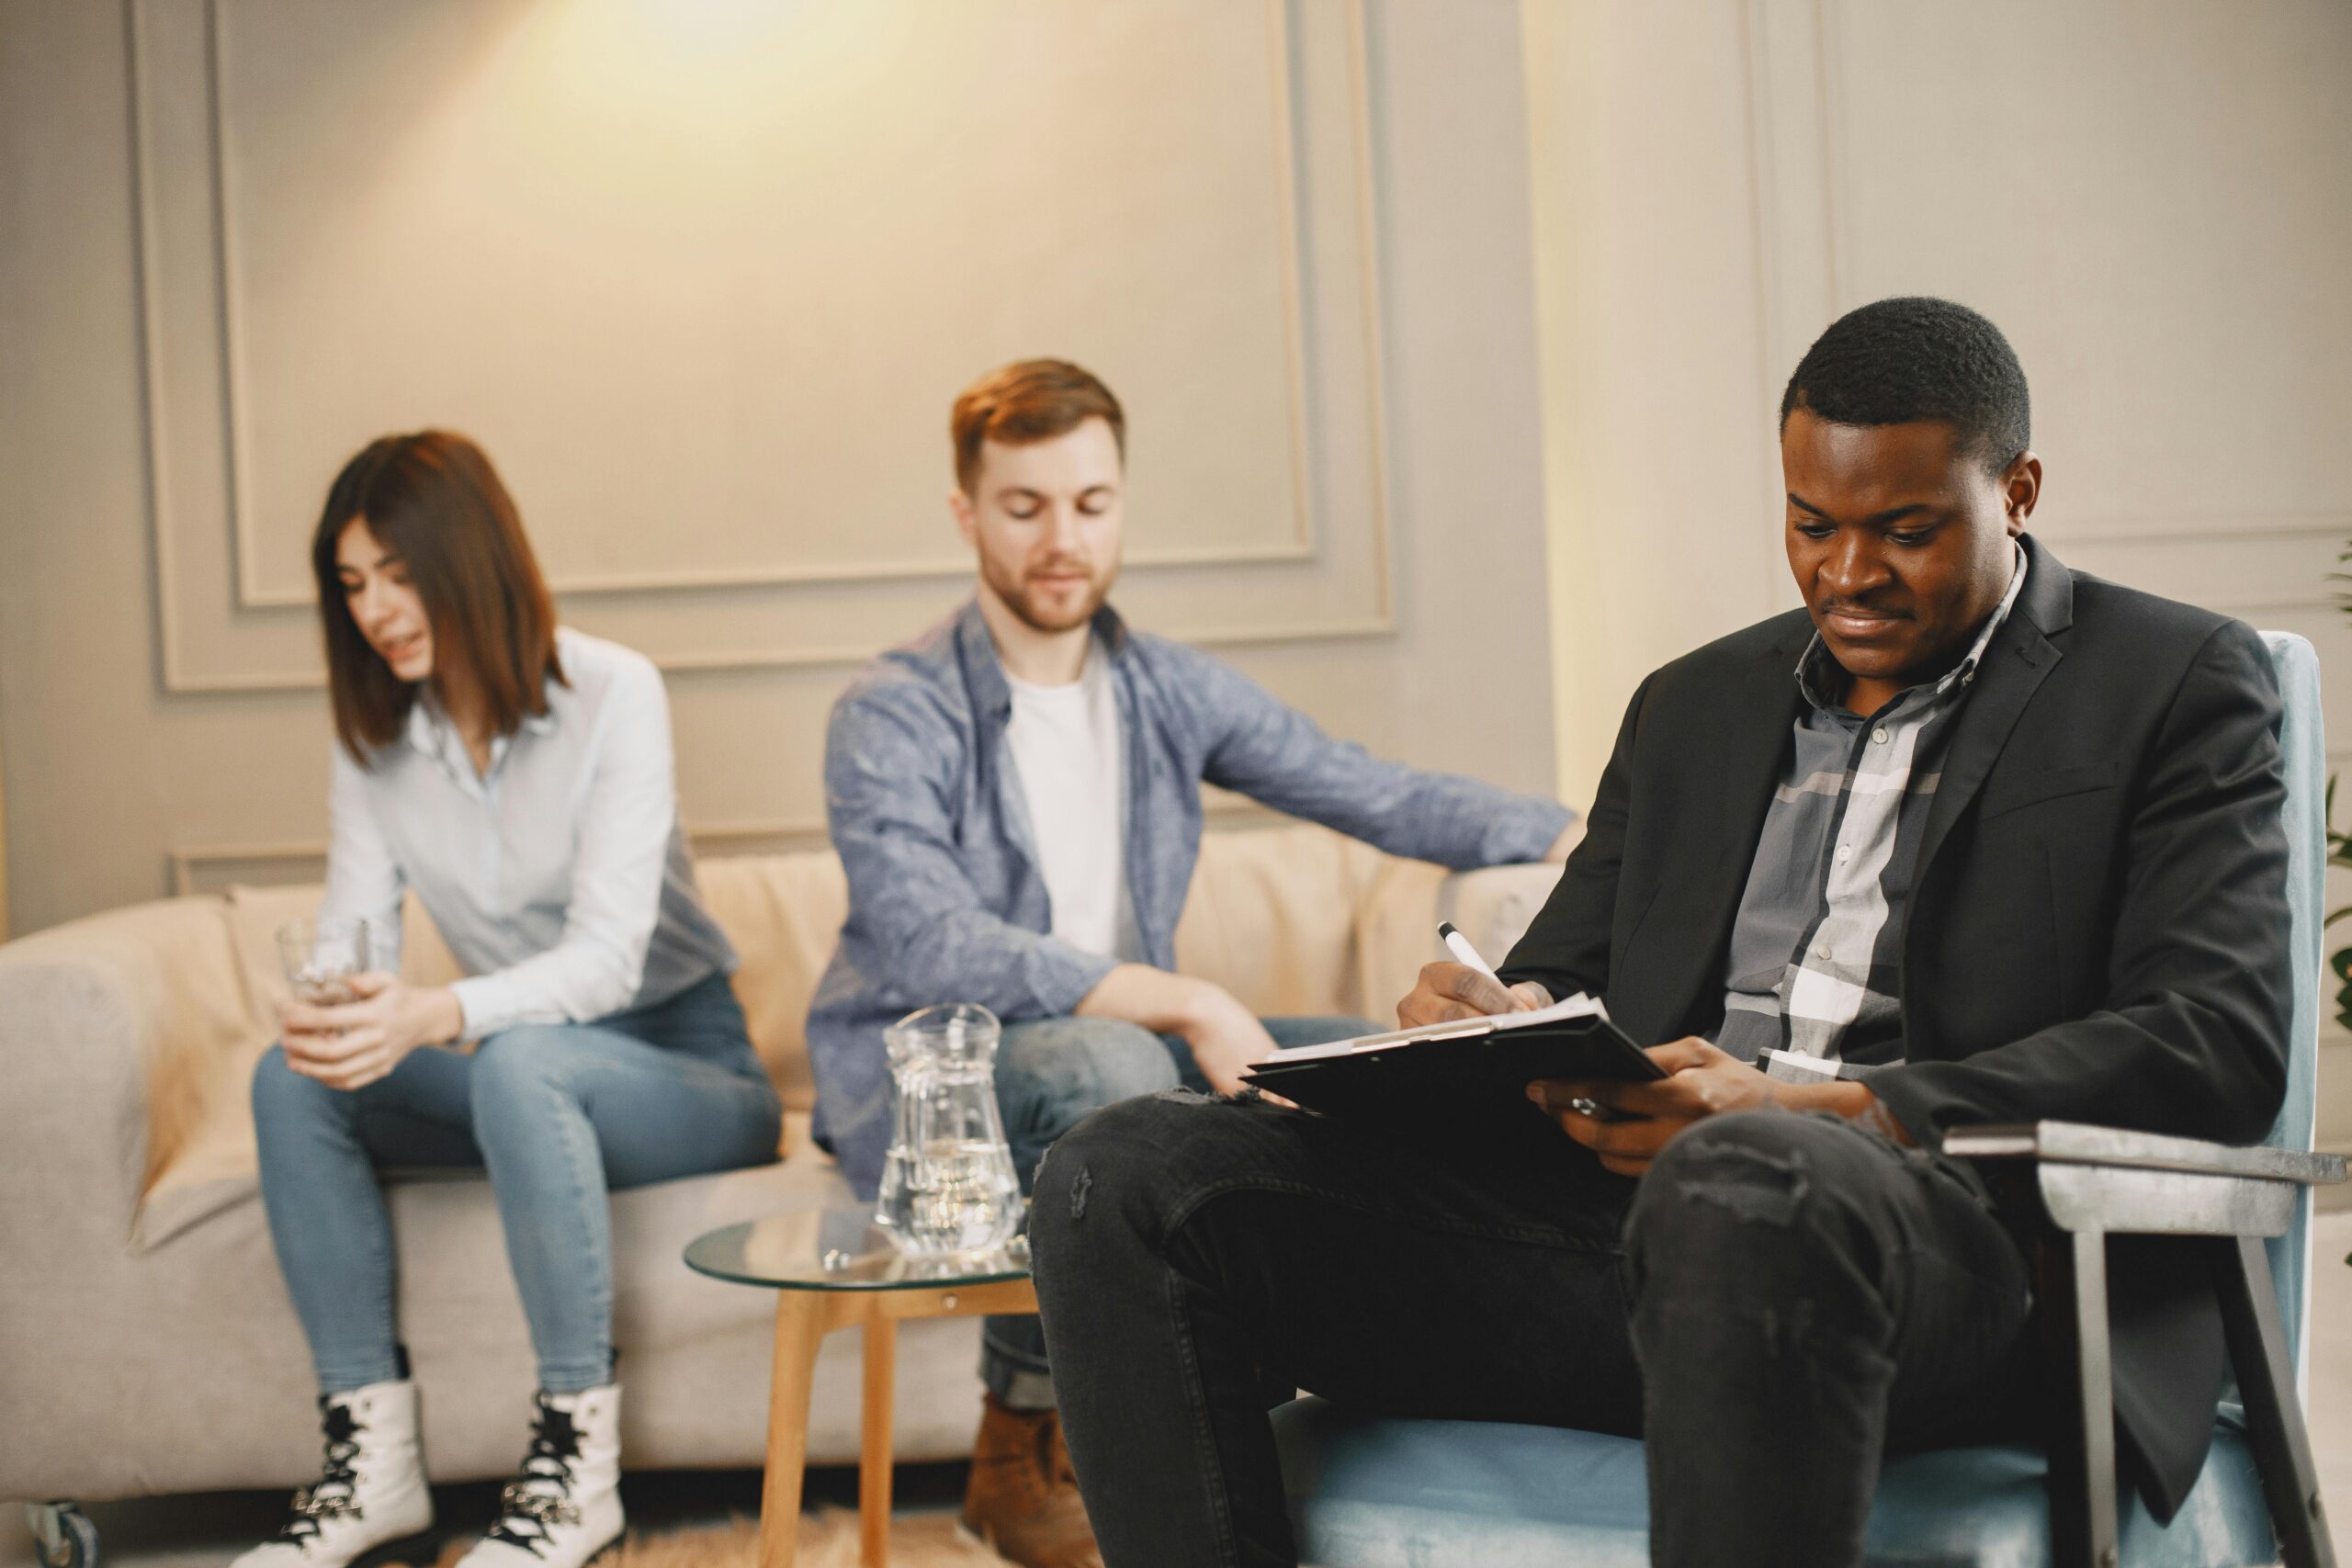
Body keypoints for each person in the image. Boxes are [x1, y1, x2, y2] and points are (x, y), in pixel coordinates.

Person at [1026, 299, 2292, 1568]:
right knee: (1122, 1174)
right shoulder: (1694, 705)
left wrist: (1826, 1109)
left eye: (1904, 531)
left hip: (1961, 1250)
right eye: (1811, 525)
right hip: (1621, 1240)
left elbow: (2217, 1042)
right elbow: (1568, 973)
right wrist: (1492, 1013)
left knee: (1739, 1180)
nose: (1847, 573)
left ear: (2015, 490)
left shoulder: (2174, 684)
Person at [808, 359, 1579, 1566]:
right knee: (1108, 1053)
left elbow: (1370, 786)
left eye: (1092, 502)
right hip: (936, 1071)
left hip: (1120, 1040)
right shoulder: (893, 708)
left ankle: (1338, 1390)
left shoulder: (1163, 686)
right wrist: (1189, 998)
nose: (1064, 539)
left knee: (1391, 1062)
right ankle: (1023, 1446)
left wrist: (1589, 831)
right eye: (1026, 507)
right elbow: (928, 935)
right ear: (967, 513)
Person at [237, 432, 784, 1568]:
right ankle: (371, 1467)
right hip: (509, 1072)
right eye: (352, 585)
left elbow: (606, 962)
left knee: (527, 1058)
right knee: (293, 1078)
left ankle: (576, 1477)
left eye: (397, 572)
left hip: (686, 1068)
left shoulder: (612, 691)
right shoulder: (377, 742)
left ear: (467, 557)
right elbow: (359, 942)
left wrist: (435, 1013)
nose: (377, 610)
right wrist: (339, 1012)